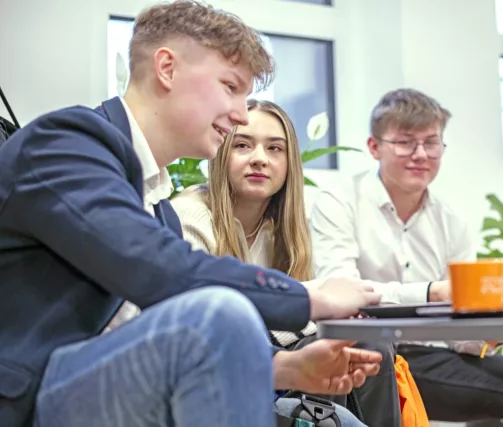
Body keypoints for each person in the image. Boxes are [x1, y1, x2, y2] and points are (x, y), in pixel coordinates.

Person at [0, 2, 382, 427]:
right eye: (230, 86)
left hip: (91, 385)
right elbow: (154, 270)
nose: (240, 113)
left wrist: (289, 368)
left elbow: (162, 327)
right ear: (167, 68)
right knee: (218, 314)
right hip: (28, 399)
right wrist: (309, 298)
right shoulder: (65, 143)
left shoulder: (158, 206)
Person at [171, 98, 400, 427]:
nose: (259, 159)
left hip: (275, 373)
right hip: (216, 375)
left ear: (289, 162)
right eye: (242, 145)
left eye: (275, 148)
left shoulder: (286, 229)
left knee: (367, 342)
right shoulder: (190, 215)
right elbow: (212, 324)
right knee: (331, 342)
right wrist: (320, 310)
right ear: (220, 154)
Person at [310, 88, 503, 425]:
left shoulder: (450, 220)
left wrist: (493, 326)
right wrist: (431, 293)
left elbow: (461, 332)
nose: (421, 154)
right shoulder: (339, 202)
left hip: (430, 356)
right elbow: (341, 294)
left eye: (431, 142)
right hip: (365, 354)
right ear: (374, 147)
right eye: (405, 142)